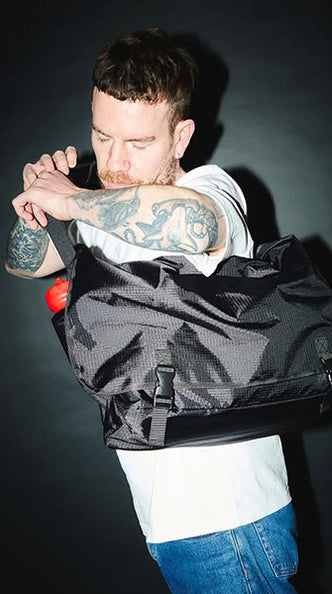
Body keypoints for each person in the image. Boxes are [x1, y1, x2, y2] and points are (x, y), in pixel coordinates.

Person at [6, 28, 298, 592]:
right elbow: (25, 264)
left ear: (180, 136)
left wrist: (74, 199)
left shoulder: (210, 189)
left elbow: (196, 225)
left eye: (138, 143)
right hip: (170, 518)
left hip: (227, 515)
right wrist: (37, 202)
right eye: (102, 136)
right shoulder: (99, 204)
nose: (114, 161)